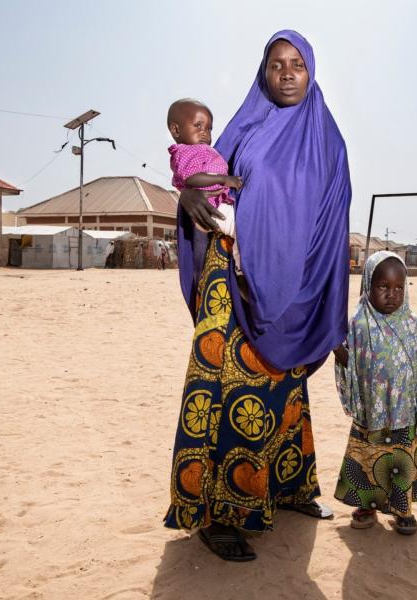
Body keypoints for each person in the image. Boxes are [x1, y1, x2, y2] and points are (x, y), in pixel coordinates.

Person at [165, 30, 351, 562]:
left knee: (285, 390)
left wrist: (326, 302)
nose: (287, 73)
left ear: (310, 71)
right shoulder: (244, 129)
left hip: (297, 284)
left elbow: (333, 223)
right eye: (276, 65)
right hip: (231, 286)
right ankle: (216, 514)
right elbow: (201, 170)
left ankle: (290, 488)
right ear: (263, 73)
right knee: (227, 392)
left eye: (297, 64)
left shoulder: (328, 141)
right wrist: (186, 194)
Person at [331, 252, 417, 536]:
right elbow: (351, 364)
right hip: (371, 410)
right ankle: (366, 506)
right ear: (368, 286)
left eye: (398, 288)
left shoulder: (413, 325)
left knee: (401, 459)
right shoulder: (359, 324)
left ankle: (402, 508)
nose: (391, 295)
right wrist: (340, 354)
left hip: (404, 410)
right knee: (367, 455)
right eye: (383, 287)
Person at [168, 98, 244, 269]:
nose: (205, 133)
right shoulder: (186, 151)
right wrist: (224, 179)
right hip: (210, 209)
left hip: (215, 206)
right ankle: (242, 266)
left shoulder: (198, 150)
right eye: (198, 126)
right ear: (175, 129)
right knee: (243, 229)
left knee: (241, 230)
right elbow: (192, 178)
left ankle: (242, 263)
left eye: (209, 129)